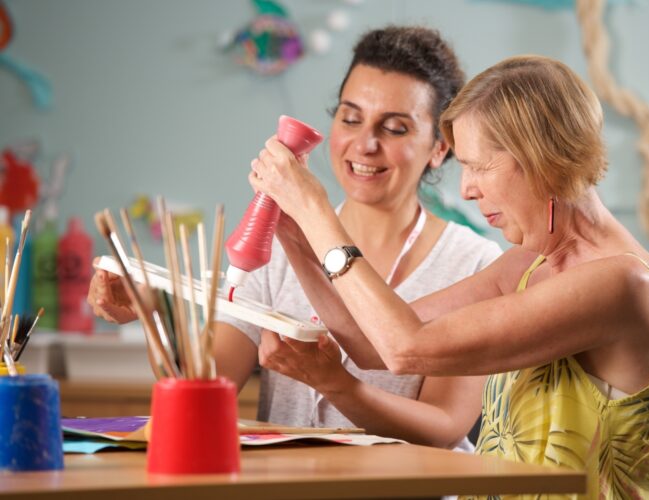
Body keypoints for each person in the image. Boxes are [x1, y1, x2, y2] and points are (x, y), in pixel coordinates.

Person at [248, 54, 649, 497]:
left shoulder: (625, 284)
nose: (466, 189)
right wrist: (296, 236)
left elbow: (405, 348)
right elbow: (369, 341)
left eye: (479, 166)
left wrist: (316, 211)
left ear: (543, 158)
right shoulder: (527, 264)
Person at [87, 26, 502, 451]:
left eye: (395, 128)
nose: (365, 144)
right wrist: (156, 315)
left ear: (439, 147)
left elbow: (442, 427)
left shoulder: (474, 264)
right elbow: (207, 384)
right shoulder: (276, 243)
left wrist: (338, 385)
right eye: (350, 118)